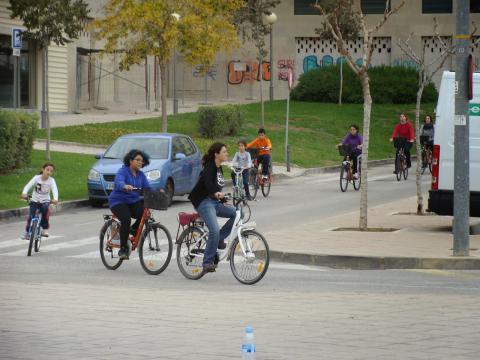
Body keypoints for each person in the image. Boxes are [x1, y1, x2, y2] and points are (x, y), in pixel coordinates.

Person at [188, 142, 236, 274]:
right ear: (216, 154)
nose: (227, 154)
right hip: (203, 202)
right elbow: (208, 184)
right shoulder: (210, 167)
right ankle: (207, 262)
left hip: (214, 201)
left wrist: (223, 198)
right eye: (224, 152)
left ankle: (218, 239)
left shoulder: (219, 167)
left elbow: (216, 186)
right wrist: (216, 193)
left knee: (237, 213)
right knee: (214, 229)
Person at [108, 149, 151, 260]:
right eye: (137, 160)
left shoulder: (141, 175)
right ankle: (123, 249)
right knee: (126, 218)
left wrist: (158, 191)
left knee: (145, 213)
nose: (140, 162)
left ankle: (132, 230)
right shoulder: (123, 171)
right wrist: (124, 186)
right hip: (118, 201)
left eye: (142, 161)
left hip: (132, 201)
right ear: (130, 161)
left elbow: (147, 188)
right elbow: (119, 182)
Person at [21, 162, 59, 239]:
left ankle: (43, 230)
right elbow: (28, 186)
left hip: (45, 200)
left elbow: (55, 189)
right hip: (34, 200)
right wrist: (24, 193)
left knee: (45, 210)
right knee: (31, 216)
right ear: (43, 169)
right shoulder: (36, 178)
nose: (49, 172)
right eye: (47, 170)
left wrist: (55, 199)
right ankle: (27, 232)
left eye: (51, 171)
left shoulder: (51, 180)